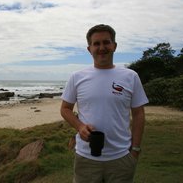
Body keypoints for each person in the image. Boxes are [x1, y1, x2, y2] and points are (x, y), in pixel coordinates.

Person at [60, 24, 148, 183]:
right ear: (89, 49)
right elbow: (65, 109)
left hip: (121, 157)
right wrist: (80, 126)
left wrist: (135, 150)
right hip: (86, 158)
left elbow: (138, 113)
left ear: (114, 46)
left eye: (106, 42)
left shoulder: (131, 76)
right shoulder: (77, 77)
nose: (102, 48)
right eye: (96, 43)